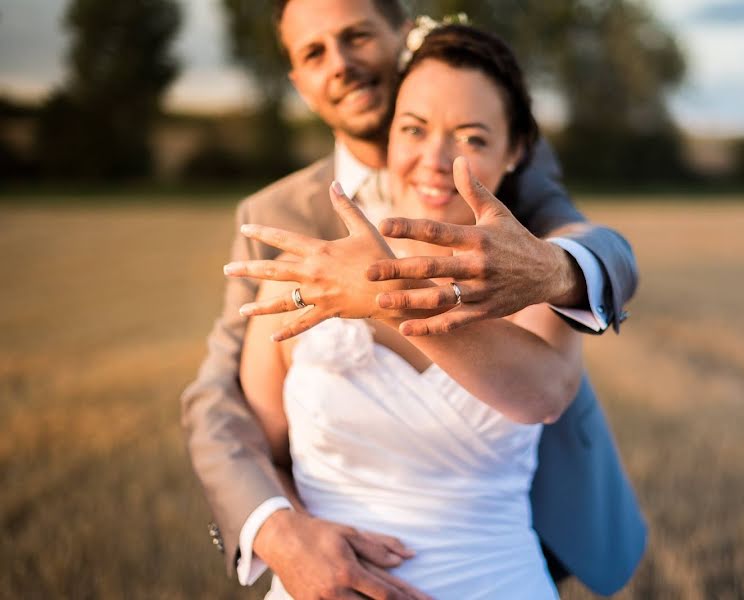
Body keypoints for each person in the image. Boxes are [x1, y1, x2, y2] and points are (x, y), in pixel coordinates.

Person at [181, 1, 645, 598]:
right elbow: (226, 403)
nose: (341, 64)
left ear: (401, 38)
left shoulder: (512, 202)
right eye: (314, 53)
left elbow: (597, 254)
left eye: (356, 36)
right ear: (297, 80)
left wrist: (552, 269)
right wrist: (278, 530)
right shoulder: (276, 219)